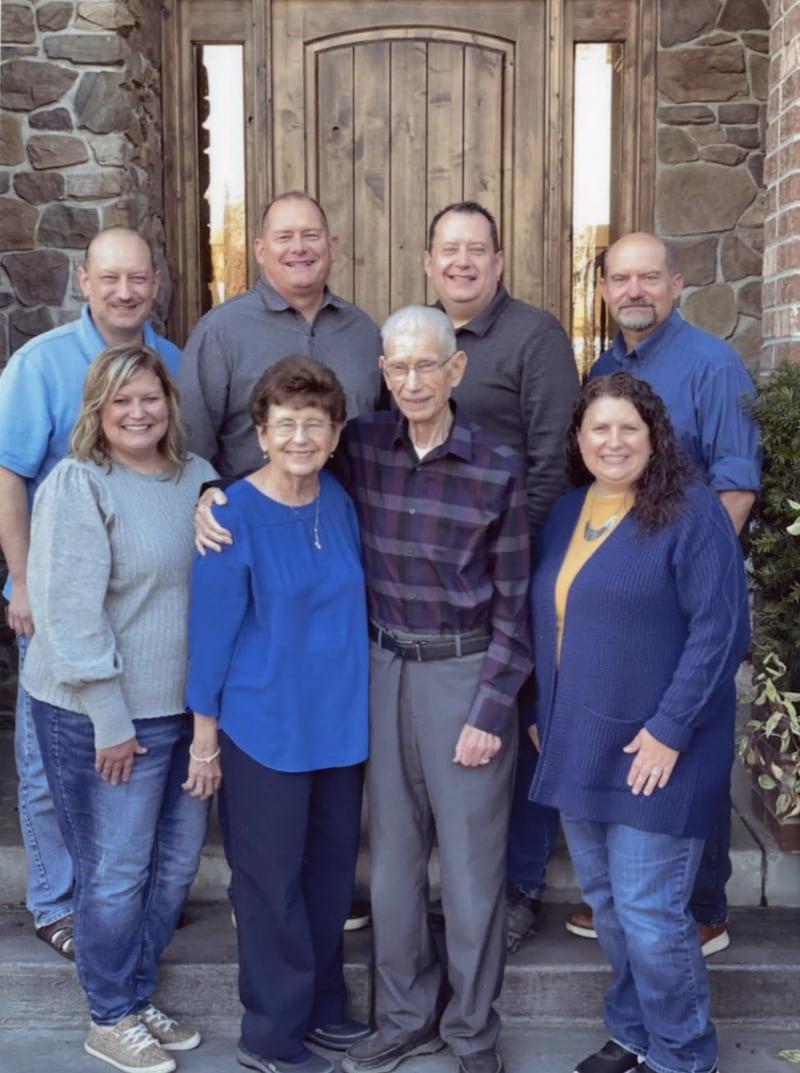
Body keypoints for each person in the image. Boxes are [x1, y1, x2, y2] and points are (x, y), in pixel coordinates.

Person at [197, 307, 532, 1073]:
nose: (412, 380)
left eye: (427, 365)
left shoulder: (495, 465)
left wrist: (491, 708)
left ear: (455, 370)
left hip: (459, 674)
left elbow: (516, 605)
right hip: (378, 672)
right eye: (398, 366)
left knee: (472, 871)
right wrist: (209, 492)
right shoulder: (366, 446)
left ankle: (472, 1032)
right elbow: (282, 462)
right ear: (382, 372)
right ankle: (405, 1015)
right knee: (392, 866)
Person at [528, 372, 749, 1073]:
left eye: (630, 427)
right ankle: (633, 1030)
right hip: (581, 741)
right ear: (578, 438)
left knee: (651, 911)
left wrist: (670, 729)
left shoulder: (691, 511)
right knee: (607, 903)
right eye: (600, 428)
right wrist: (541, 713)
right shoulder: (566, 513)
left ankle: (683, 1053)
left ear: (656, 438)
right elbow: (552, 622)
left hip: (663, 748)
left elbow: (720, 631)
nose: (614, 441)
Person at [565, 231, 762, 955]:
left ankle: (702, 907)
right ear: (605, 291)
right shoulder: (606, 368)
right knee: (638, 741)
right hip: (629, 599)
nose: (634, 291)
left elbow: (736, 484)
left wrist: (689, 575)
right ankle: (633, 890)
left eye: (649, 277)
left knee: (689, 737)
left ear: (677, 284)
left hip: (684, 595)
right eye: (621, 279)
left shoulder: (712, 363)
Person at [22, 344, 216, 1073]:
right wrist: (110, 717)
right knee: (116, 872)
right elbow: (69, 615)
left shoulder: (197, 478)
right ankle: (108, 1017)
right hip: (98, 713)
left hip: (183, 711)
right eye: (121, 401)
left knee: (174, 867)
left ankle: (133, 993)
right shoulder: (79, 484)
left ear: (170, 401)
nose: (138, 412)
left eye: (150, 397)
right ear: (97, 412)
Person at [186, 355, 370, 1073]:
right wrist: (205, 738)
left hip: (339, 728)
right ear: (260, 433)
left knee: (329, 879)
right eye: (285, 424)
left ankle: (322, 1005)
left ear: (335, 433)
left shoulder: (340, 500)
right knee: (270, 888)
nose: (300, 437)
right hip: (263, 729)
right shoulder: (230, 514)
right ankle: (270, 1033)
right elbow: (211, 636)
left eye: (314, 423)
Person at [0, 227, 179, 960]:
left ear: (156, 283)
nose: (125, 292)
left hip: (140, 608)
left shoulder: (170, 361)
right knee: (50, 761)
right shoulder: (39, 363)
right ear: (84, 281)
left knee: (130, 757)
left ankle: (115, 896)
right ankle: (56, 900)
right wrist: (21, 581)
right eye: (110, 278)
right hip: (56, 600)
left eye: (138, 278)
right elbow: (10, 474)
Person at [425, 201, 579, 951]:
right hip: (435, 580)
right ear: (429, 263)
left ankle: (520, 884)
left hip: (515, 569)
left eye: (476, 249)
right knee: (457, 725)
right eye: (449, 250)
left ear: (498, 261)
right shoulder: (417, 337)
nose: (462, 262)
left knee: (520, 720)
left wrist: (518, 562)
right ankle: (461, 879)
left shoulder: (535, 337)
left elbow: (554, 461)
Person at [177, 190, 384, 479]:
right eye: (284, 237)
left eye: (310, 235)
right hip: (249, 505)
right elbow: (192, 447)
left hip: (350, 505)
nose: (298, 247)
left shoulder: (364, 332)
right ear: (260, 250)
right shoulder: (220, 332)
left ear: (332, 246)